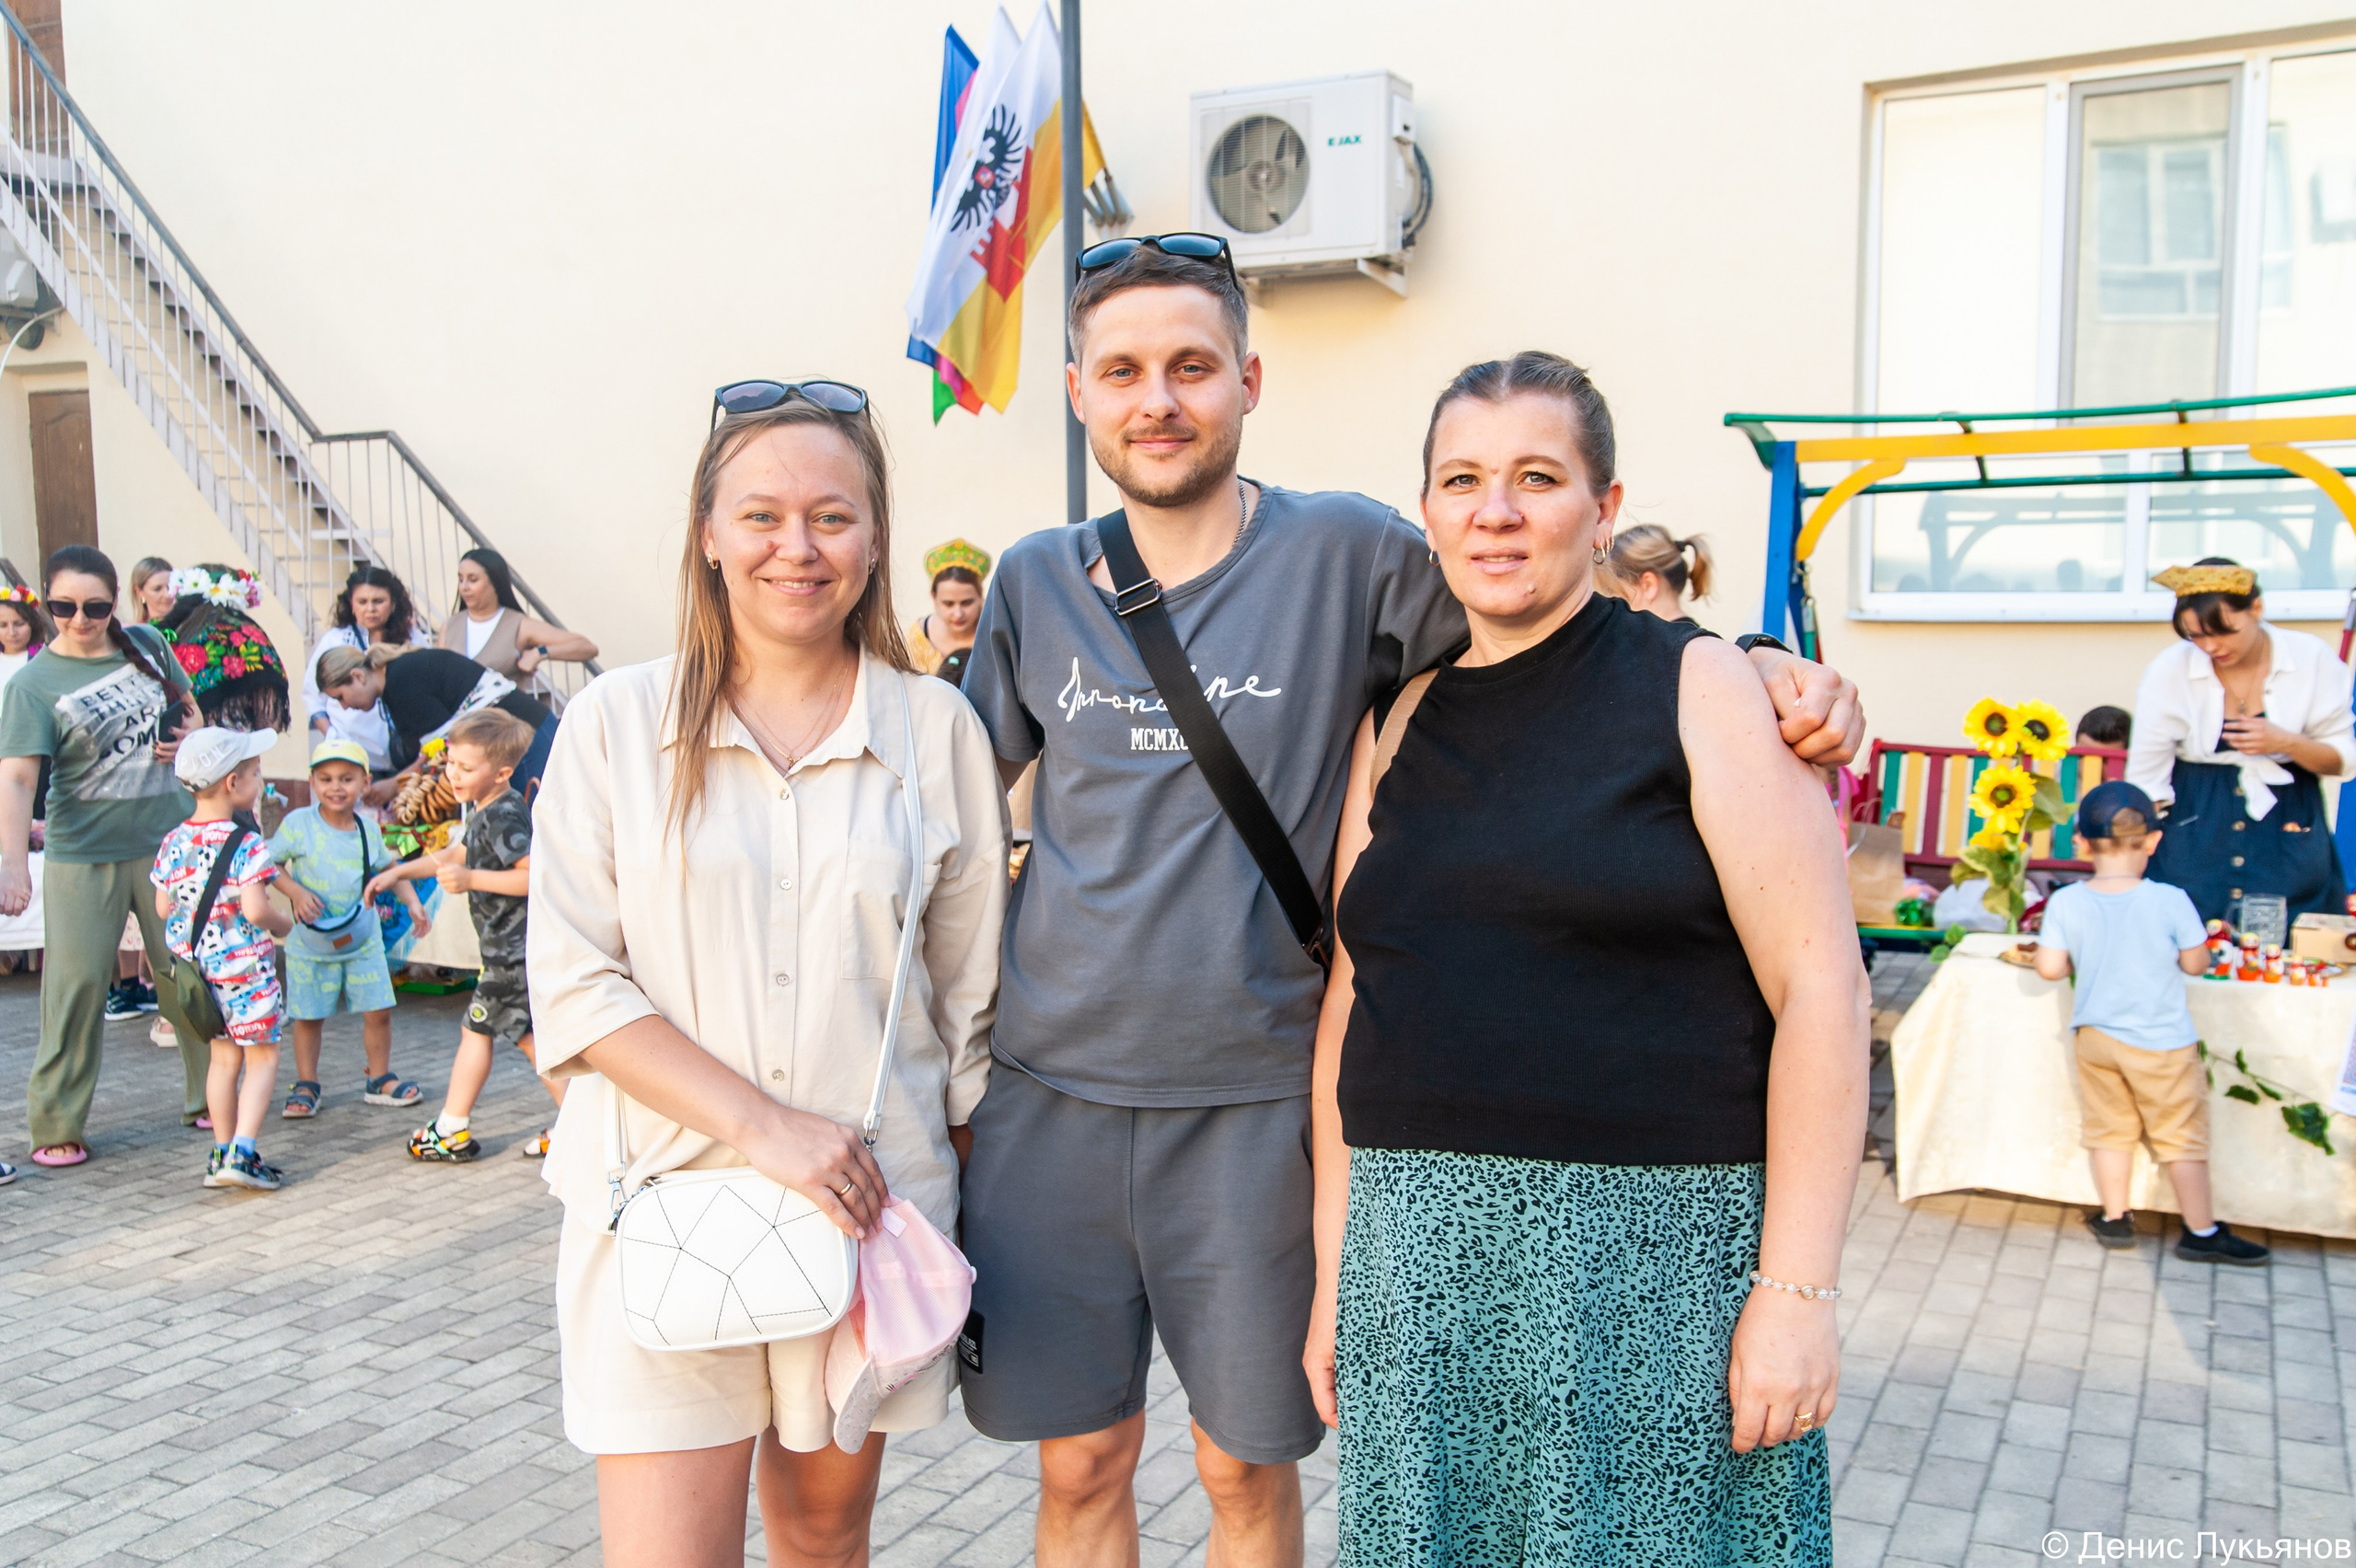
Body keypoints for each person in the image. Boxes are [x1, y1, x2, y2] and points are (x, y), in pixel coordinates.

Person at [952, 237, 1863, 1565]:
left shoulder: (1356, 556)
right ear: (1082, 394)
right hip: (1179, 1146)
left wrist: (1770, 666)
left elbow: (1563, 634)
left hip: (1377, 1155)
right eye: (1127, 371)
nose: (1161, 399)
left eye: (1193, 365)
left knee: (1248, 1471)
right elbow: (944, 823)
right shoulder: (1044, 585)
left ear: (1249, 380)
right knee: (1094, 1469)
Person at [1299, 352, 1863, 1563]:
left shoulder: (1700, 684)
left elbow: (1822, 987)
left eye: (1536, 478)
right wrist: (1335, 1276)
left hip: (1655, 1270)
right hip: (1419, 1268)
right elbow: (1356, 995)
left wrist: (1797, 1295)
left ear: (1604, 510)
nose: (1495, 512)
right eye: (1462, 480)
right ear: (1431, 510)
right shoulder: (1398, 719)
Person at [525, 382, 1006, 1568]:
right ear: (707, 533)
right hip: (658, 1209)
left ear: (876, 536)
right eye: (761, 517)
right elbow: (576, 990)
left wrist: (953, 1200)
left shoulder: (934, 730)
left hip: (862, 1221)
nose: (798, 548)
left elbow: (966, 1007)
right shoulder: (614, 726)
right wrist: (768, 1128)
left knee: (824, 1545)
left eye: (832, 518)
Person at [1, 546, 208, 1168]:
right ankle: (57, 1122)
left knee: (190, 974)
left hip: (171, 843)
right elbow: (15, 778)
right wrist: (12, 861)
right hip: (82, 851)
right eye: (63, 606)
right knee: (76, 984)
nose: (79, 619)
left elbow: (190, 704)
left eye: (93, 606)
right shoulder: (33, 683)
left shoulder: (145, 643)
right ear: (45, 603)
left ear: (114, 602)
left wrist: (192, 736)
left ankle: (210, 1096)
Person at [2033, 780, 2270, 1265]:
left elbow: (2050, 968)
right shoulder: (2170, 900)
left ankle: (2116, 1217)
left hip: (2096, 1036)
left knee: (2109, 1129)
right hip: (2161, 1043)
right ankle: (2200, 1231)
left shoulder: (2067, 902)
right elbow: (2195, 964)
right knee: (2181, 1136)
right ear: (2154, 841)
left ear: (2080, 841)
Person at [367, 709, 560, 1161]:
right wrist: (400, 871)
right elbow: (454, 852)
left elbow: (533, 877)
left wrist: (471, 879)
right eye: (451, 763)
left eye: (467, 768)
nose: (453, 774)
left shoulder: (504, 816)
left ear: (502, 773)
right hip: (506, 953)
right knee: (519, 1039)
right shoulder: (487, 810)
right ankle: (574, 1128)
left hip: (511, 953)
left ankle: (454, 1127)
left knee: (509, 1038)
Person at [2129, 559, 2353, 922]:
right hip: (2196, 822)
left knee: (2294, 943)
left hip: (2288, 821)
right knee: (2191, 939)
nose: (2212, 646)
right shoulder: (2169, 670)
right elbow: (2145, 780)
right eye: (2196, 636)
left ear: (2257, 609)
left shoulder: (2311, 658)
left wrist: (2288, 743)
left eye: (2225, 631)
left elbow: (2342, 759)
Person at [153, 726, 294, 1192]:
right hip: (246, 974)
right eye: (255, 773)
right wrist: (282, 924)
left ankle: (220, 1150)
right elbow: (255, 909)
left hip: (200, 976)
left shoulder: (173, 840)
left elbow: (162, 907)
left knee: (222, 1062)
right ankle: (244, 1153)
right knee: (263, 1058)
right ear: (233, 784)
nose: (259, 779)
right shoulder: (247, 844)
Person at [271, 737, 431, 1119]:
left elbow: (388, 870)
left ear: (364, 782)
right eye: (325, 779)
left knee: (378, 1010)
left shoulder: (367, 828)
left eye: (346, 779)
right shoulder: (298, 824)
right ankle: (307, 1083)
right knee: (308, 1016)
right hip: (311, 942)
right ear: (312, 782)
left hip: (362, 939)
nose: (335, 788)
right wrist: (294, 891)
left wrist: (412, 901)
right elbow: (267, 865)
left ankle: (380, 1078)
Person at [315, 642, 559, 798]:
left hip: (525, 739)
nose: (345, 707)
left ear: (357, 676)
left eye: (341, 697)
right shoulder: (399, 674)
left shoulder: (401, 684)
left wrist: (395, 785)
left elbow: (441, 749)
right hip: (525, 733)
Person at [304, 565, 429, 772]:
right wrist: (333, 736)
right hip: (351, 756)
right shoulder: (335, 640)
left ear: (394, 603)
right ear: (351, 604)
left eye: (378, 601)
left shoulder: (412, 638)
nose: (370, 609)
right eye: (362, 602)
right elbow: (313, 698)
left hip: (405, 754)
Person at [154, 566, 293, 732]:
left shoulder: (168, 636)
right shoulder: (250, 636)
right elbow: (270, 722)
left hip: (182, 750)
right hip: (241, 753)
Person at [441, 547, 598, 685]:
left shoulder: (517, 624)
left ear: (495, 583)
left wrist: (539, 653)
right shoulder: (450, 626)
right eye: (461, 579)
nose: (464, 587)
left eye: (473, 580)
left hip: (503, 716)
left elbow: (586, 647)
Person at [905, 538, 989, 686]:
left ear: (980, 595)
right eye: (948, 604)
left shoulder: (994, 633)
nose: (958, 614)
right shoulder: (919, 637)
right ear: (934, 597)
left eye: (967, 602)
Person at [1598, 521, 1713, 623]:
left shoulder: (1666, 645)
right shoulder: (1696, 640)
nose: (1607, 600)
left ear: (1648, 585)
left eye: (1611, 590)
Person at [0, 584, 50, 690]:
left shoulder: (46, 658)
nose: (12, 633)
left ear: (33, 624)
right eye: (3, 625)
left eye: (19, 624)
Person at [128, 556, 175, 624]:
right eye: (157, 589)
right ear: (138, 591)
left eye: (170, 587)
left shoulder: (191, 627)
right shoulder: (134, 632)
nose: (167, 594)